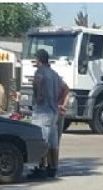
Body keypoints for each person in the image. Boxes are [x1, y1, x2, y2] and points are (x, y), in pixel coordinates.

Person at [28, 49, 69, 179]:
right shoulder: (54, 74)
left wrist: (38, 94)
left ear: (39, 60)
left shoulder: (39, 72)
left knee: (41, 140)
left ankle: (41, 168)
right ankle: (53, 167)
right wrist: (62, 104)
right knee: (53, 142)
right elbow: (66, 88)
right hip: (54, 112)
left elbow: (38, 82)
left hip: (42, 111)